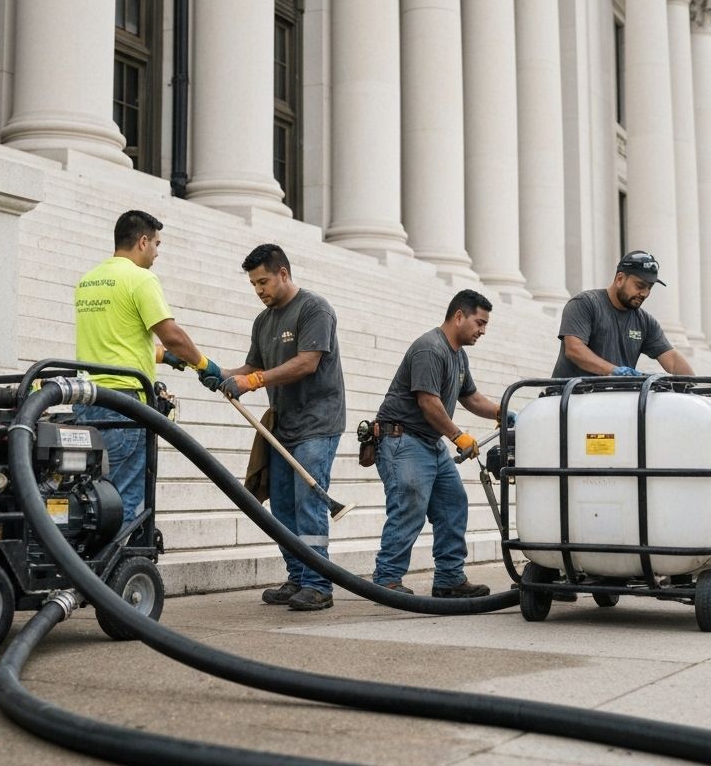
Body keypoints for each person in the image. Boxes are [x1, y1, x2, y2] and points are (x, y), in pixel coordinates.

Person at [202, 244, 346, 611]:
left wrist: (254, 382)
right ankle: (297, 576)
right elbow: (251, 368)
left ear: (283, 273)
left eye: (263, 281)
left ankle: (318, 584)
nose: (259, 290)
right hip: (282, 425)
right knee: (281, 506)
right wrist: (217, 372)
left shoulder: (314, 309)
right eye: (253, 284)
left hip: (317, 422)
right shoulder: (263, 321)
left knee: (308, 503)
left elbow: (307, 363)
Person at [73, 209, 221, 525]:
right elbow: (172, 335)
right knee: (126, 496)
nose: (156, 254)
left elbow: (116, 341)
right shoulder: (140, 278)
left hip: (88, 402)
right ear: (142, 241)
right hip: (124, 404)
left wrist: (163, 357)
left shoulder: (88, 281)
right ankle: (119, 570)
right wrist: (204, 365)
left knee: (97, 493)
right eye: (156, 244)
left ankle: (87, 565)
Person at [371, 290, 508, 598]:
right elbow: (428, 402)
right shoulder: (430, 349)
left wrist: (502, 412)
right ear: (459, 316)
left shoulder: (458, 355)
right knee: (409, 507)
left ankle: (449, 579)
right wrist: (458, 436)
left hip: (427, 442)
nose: (483, 331)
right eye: (479, 323)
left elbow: (470, 397)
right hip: (402, 439)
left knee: (452, 504)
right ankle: (387, 580)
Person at [552, 250, 694, 379]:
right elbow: (574, 350)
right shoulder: (585, 303)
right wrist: (613, 371)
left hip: (617, 400)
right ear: (620, 279)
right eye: (640, 286)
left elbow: (673, 361)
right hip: (570, 399)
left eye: (649, 288)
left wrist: (702, 389)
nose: (645, 293)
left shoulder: (646, 322)